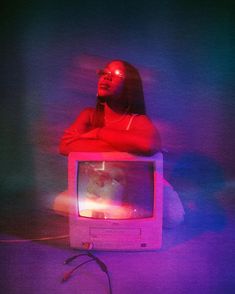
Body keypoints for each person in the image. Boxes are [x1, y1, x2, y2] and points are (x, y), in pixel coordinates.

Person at [58, 59, 185, 228]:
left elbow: (148, 145)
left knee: (174, 216)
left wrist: (98, 133)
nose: (107, 77)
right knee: (60, 204)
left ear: (129, 87)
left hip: (138, 184)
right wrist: (128, 145)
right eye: (105, 73)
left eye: (117, 75)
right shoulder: (89, 115)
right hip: (104, 182)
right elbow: (66, 146)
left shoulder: (138, 120)